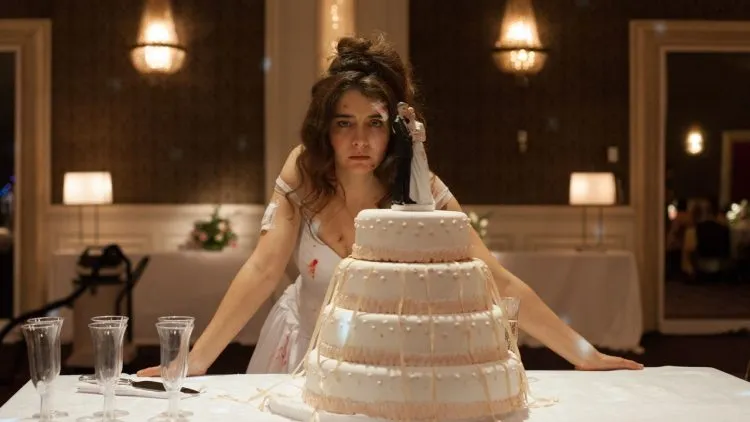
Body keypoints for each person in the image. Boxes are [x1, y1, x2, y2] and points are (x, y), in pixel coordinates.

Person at [138, 35, 642, 377]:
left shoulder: (424, 191)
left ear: (395, 129)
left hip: (382, 366)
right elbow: (263, 268)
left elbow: (497, 280)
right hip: (300, 353)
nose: (359, 140)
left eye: (374, 123)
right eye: (344, 123)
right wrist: (195, 360)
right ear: (325, 129)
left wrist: (584, 353)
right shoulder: (303, 171)